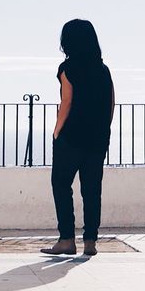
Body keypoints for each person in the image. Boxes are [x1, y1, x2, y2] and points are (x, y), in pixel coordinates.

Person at [41, 19, 115, 258]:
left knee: (62, 186)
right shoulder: (104, 70)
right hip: (98, 138)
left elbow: (67, 101)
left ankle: (66, 240)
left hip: (71, 138)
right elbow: (111, 102)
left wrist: (56, 131)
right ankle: (90, 242)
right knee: (92, 190)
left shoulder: (67, 69)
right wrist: (103, 129)